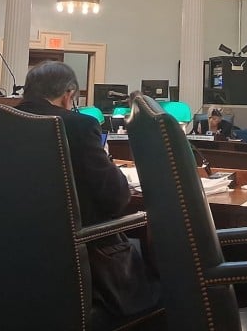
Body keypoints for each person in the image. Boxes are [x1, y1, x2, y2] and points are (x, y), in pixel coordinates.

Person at [16, 62, 159, 318]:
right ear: (68, 95)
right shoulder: (77, 126)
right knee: (164, 275)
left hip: (6, 266)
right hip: (79, 269)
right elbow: (116, 198)